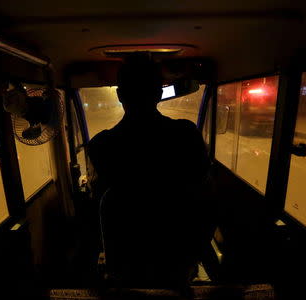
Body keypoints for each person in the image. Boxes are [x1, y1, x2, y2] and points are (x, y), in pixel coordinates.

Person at [87, 53, 215, 288]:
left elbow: (98, 204)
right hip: (177, 261)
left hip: (125, 265)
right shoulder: (186, 135)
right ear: (159, 93)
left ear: (119, 95)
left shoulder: (101, 145)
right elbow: (206, 200)